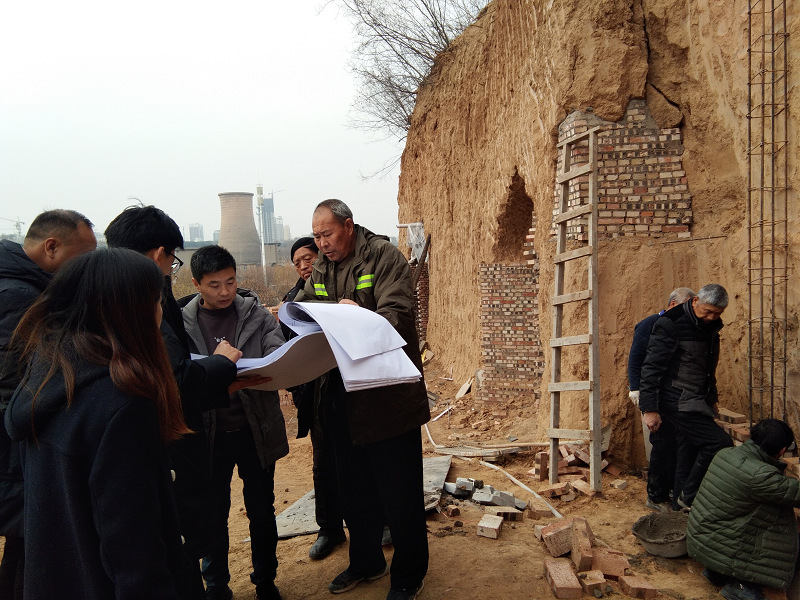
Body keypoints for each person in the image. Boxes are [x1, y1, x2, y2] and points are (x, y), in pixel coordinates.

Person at [4, 248, 192, 599]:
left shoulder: (46, 379)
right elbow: (133, 553)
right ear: (130, 312)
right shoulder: (121, 407)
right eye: (156, 301)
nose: (160, 311)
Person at [105, 206, 261, 598]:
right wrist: (221, 365)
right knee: (182, 542)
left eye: (230, 283)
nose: (224, 292)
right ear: (160, 254)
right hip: (167, 443)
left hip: (135, 446)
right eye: (172, 261)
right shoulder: (143, 297)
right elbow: (174, 378)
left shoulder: (101, 294)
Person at [296, 199, 430, 600]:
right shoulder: (322, 267)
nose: (321, 244)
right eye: (316, 236)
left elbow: (398, 315)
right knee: (353, 491)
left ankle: (408, 575)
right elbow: (308, 310)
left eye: (327, 234)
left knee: (400, 492)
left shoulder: (384, 257)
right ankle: (366, 561)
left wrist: (358, 318)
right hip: (341, 397)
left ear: (349, 226)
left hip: (387, 398)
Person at [0, 209, 96, 600]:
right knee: (32, 556)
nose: (86, 268)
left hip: (20, 451)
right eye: (82, 257)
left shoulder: (24, 286)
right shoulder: (19, 297)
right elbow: (19, 388)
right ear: (51, 247)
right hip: (18, 454)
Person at [182, 245, 287, 600]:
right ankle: (216, 586)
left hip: (255, 428)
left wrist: (272, 364)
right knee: (213, 513)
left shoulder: (257, 315)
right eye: (214, 285)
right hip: (207, 435)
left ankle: (266, 581)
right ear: (196, 284)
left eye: (230, 282)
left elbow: (276, 353)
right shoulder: (181, 323)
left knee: (262, 510)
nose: (225, 291)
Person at [279, 237, 348, 560]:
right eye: (297, 263)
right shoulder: (292, 303)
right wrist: (298, 391)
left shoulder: (338, 292)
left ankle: (379, 522)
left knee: (360, 461)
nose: (303, 266)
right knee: (323, 467)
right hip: (316, 397)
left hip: (347, 389)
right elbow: (285, 349)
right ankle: (329, 530)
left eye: (308, 258)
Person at [639, 283, 733, 511]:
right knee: (719, 442)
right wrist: (649, 408)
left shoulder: (710, 326)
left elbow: (707, 367)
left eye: (717, 313)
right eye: (708, 311)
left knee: (687, 449)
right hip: (676, 400)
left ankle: (679, 503)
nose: (712, 317)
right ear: (695, 301)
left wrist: (712, 398)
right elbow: (651, 367)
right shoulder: (670, 323)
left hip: (696, 399)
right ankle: (685, 498)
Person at [687, 419, 800, 600]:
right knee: (781, 526)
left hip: (703, 540)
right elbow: (795, 493)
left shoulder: (726, 453)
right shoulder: (760, 475)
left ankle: (718, 571)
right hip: (718, 542)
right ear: (781, 451)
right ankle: (742, 585)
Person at [627, 287, 694, 512]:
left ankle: (672, 489)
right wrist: (636, 390)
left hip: (674, 396)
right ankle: (656, 496)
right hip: (654, 395)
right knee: (662, 443)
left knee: (676, 443)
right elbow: (636, 358)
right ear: (673, 304)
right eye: (686, 307)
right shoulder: (649, 324)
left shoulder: (681, 326)